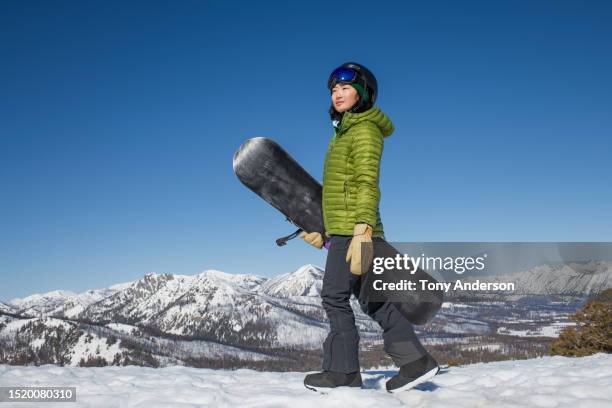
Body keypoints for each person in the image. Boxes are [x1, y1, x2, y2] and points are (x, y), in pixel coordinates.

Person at [299, 62, 439, 393]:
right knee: (372, 299)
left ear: (363, 94)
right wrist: (323, 229)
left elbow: (366, 182)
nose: (337, 93)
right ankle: (416, 362)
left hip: (355, 230)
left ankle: (343, 372)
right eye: (333, 89)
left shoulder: (363, 130)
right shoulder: (344, 132)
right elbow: (339, 190)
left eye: (346, 88)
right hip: (346, 228)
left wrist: (360, 228)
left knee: (334, 297)